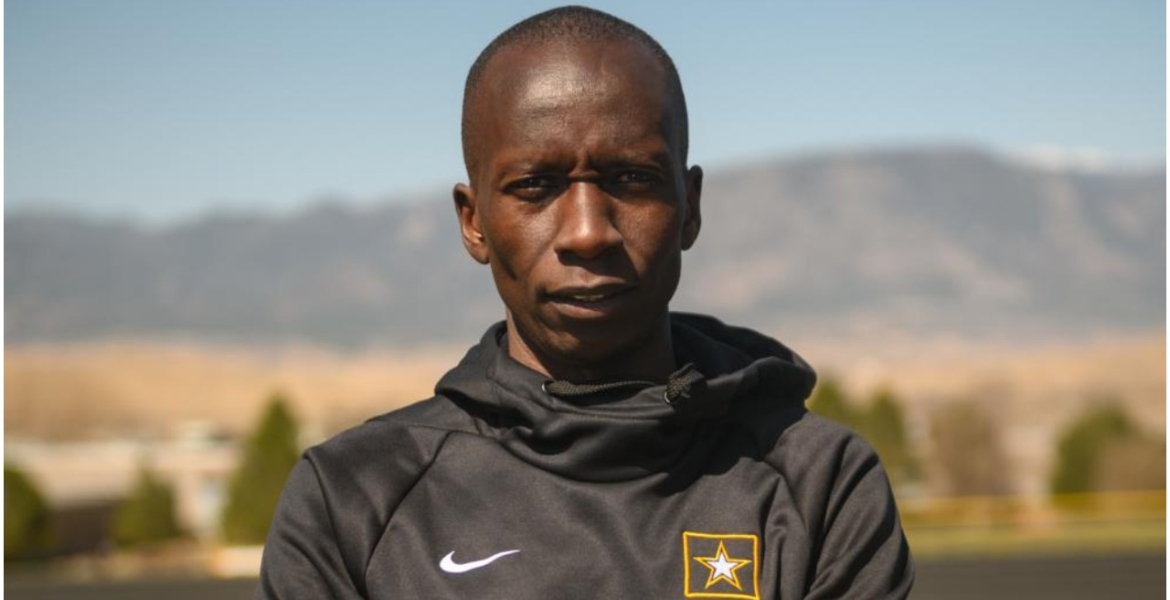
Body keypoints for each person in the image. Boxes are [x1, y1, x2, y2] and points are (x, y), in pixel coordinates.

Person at [256, 6, 913, 599]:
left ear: (691, 209)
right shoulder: (353, 499)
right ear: (473, 222)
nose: (588, 231)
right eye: (536, 185)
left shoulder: (817, 485)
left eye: (630, 178)